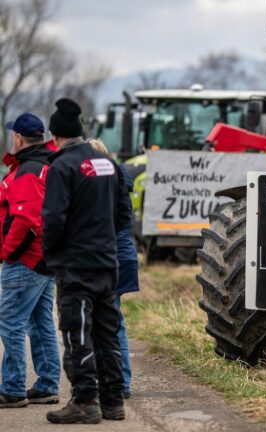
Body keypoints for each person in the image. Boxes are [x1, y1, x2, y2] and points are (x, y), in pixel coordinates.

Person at [42, 99, 132, 424]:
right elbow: (125, 214)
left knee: (78, 333)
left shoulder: (61, 166)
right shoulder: (106, 162)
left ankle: (84, 402)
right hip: (107, 263)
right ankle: (112, 401)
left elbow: (52, 219)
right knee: (107, 333)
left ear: (55, 136)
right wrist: (104, 237)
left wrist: (51, 254)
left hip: (76, 267)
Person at [0, 114, 60, 408]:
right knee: (40, 322)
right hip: (46, 259)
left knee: (11, 322)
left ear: (19, 139)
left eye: (13, 135)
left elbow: (25, 219)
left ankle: (12, 388)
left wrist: (5, 253)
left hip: (26, 259)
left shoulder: (28, 171)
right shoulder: (47, 166)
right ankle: (47, 383)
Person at [87, 138, 139, 399]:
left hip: (109, 258)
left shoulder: (102, 185)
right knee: (114, 321)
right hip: (123, 256)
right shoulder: (121, 181)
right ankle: (121, 381)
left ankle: (117, 381)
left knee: (107, 322)